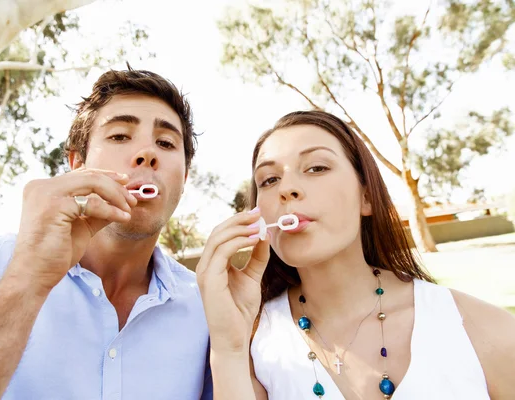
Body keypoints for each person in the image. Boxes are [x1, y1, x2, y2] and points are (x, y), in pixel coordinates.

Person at [0, 68, 213, 399]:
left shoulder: (208, 309)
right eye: (119, 136)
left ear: (184, 179)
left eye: (166, 142)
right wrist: (28, 276)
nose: (147, 153)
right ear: (77, 164)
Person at [196, 110, 515, 399]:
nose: (287, 188)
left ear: (367, 197)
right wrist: (229, 349)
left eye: (316, 167)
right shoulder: (251, 343)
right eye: (269, 179)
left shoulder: (481, 328)